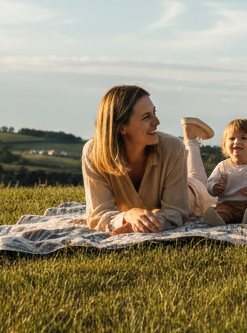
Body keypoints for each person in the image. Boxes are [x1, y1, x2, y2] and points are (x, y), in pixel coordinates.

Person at [81, 84, 215, 233]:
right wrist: (127, 216)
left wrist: (141, 225)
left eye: (154, 112)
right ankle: (190, 137)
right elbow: (97, 216)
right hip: (150, 206)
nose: (157, 121)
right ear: (121, 127)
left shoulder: (173, 147)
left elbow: (176, 212)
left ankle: (191, 139)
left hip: (192, 195)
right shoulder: (93, 152)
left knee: (200, 183)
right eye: (146, 117)